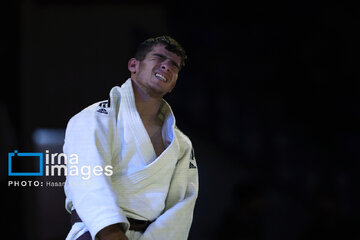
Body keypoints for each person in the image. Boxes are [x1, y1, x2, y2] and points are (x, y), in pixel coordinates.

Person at [63, 36, 199, 240]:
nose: (167, 67)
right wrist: (111, 233)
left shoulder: (181, 144)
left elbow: (181, 207)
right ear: (134, 65)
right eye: (159, 58)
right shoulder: (93, 119)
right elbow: (88, 182)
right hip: (95, 233)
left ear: (174, 84)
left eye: (174, 66)